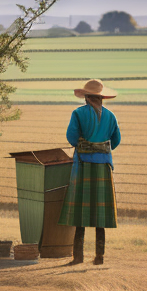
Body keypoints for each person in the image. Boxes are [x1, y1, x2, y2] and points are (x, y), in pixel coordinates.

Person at [58, 79, 121, 265]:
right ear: (101, 98)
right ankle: (99, 257)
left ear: (86, 97)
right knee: (100, 213)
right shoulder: (111, 116)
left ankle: (77, 257)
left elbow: (71, 138)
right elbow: (116, 141)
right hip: (103, 167)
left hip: (83, 165)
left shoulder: (78, 113)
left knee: (80, 213)